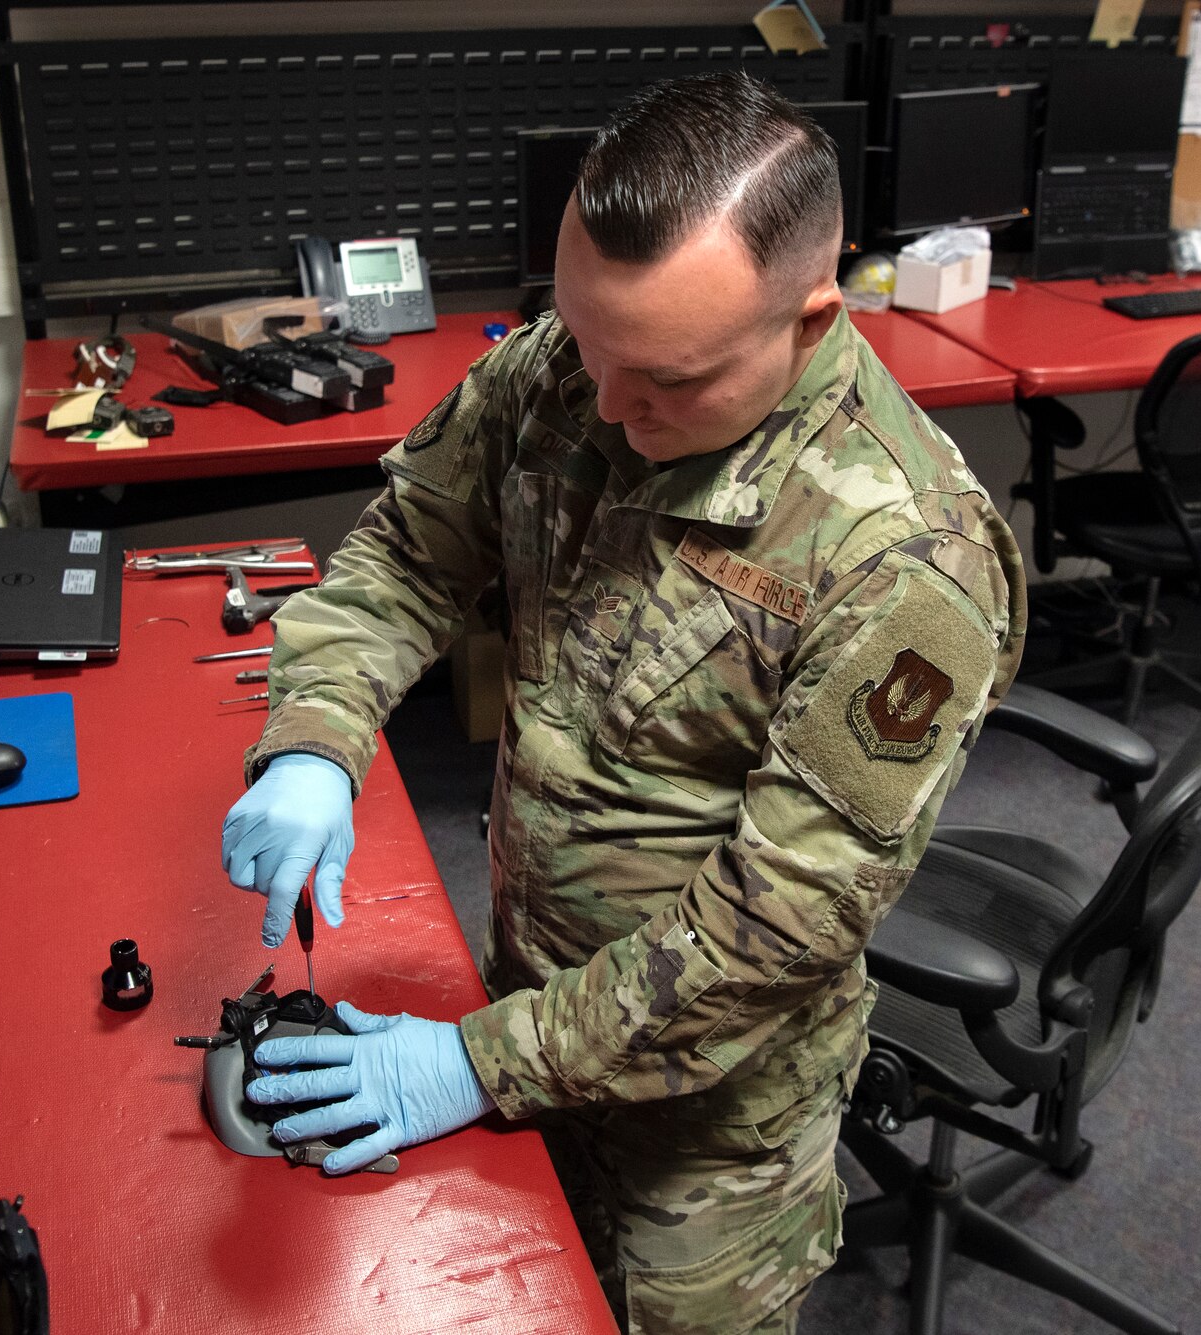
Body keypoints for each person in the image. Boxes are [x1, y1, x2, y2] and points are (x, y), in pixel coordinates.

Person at [220, 71, 1026, 1334]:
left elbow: (780, 924)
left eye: (663, 377)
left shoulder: (903, 555)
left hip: (705, 1136)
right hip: (525, 994)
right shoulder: (571, 368)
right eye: (586, 346)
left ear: (810, 321)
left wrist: (475, 1065)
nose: (606, 405)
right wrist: (317, 737)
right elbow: (409, 556)